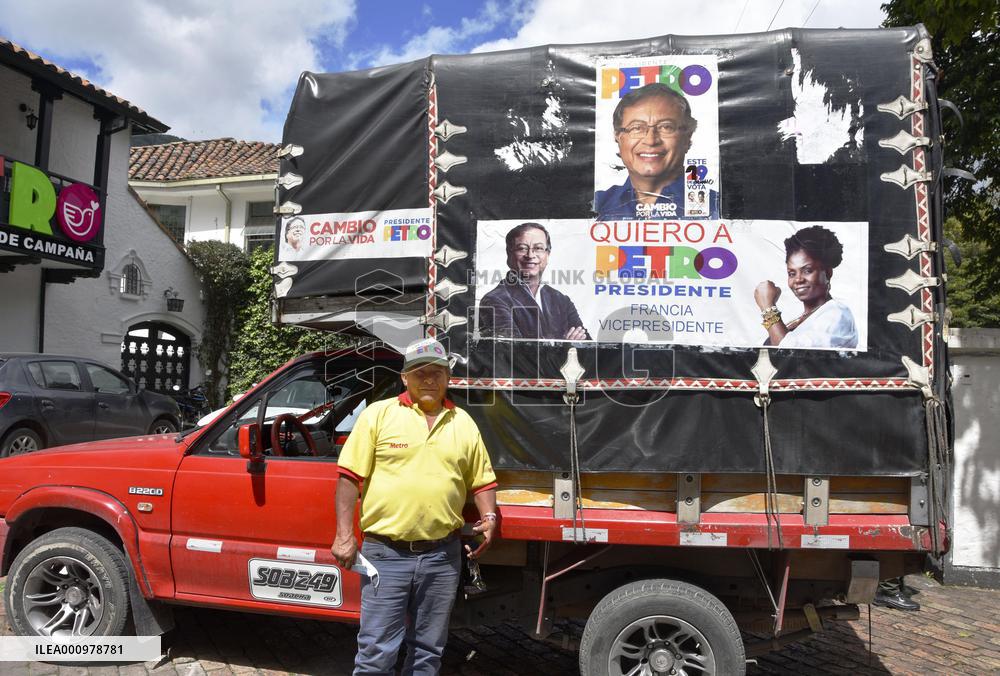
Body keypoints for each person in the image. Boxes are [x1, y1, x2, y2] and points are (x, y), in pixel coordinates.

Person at [331, 337, 498, 675]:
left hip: (442, 557)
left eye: (437, 373)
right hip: (385, 555)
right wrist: (344, 535)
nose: (429, 380)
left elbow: (482, 480)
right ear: (405, 378)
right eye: (420, 373)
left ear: (448, 378)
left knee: (427, 652)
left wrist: (489, 516)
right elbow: (349, 477)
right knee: (377, 651)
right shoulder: (379, 415)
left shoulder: (463, 423)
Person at [594, 83, 719, 220]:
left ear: (687, 137)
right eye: (636, 128)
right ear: (618, 137)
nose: (651, 140)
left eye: (666, 127)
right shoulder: (597, 205)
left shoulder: (716, 207)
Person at [478, 222, 590, 340]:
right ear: (509, 254)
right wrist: (565, 346)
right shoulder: (494, 300)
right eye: (522, 248)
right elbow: (512, 354)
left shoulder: (562, 300)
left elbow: (590, 350)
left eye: (538, 248)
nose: (530, 255)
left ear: (548, 254)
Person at [754, 225, 858, 349]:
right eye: (792, 273)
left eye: (807, 270)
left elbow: (788, 353)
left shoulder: (838, 314)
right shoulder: (802, 319)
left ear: (828, 273)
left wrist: (768, 307)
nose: (798, 279)